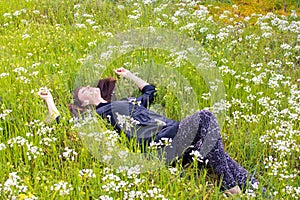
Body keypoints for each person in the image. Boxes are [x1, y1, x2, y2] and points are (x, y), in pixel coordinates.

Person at [39, 67, 259, 195]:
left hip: (175, 131)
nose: (88, 89)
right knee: (205, 117)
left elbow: (149, 91)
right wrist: (49, 101)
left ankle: (257, 189)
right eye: (83, 93)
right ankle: (231, 187)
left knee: (216, 154)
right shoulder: (97, 115)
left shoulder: (128, 101)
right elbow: (63, 123)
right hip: (161, 143)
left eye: (88, 87)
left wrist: (129, 75)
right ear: (84, 102)